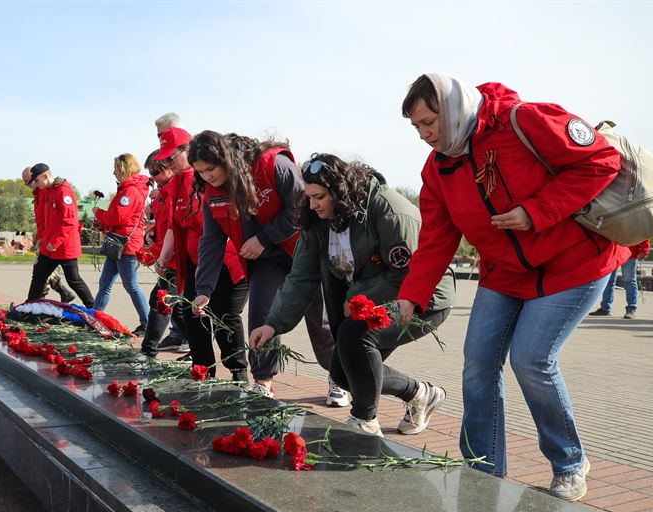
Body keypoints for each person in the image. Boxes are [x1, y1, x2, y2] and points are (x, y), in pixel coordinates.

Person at [396, 73, 629, 501]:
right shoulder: (438, 168)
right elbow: (435, 239)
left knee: (531, 359)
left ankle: (569, 463)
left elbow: (601, 162)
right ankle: (482, 467)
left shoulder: (523, 121)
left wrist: (535, 212)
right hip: (505, 272)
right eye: (416, 127)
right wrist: (412, 295)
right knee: (478, 363)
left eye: (429, 121)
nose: (424, 134)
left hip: (574, 263)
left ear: (453, 109)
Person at [250, 154, 454, 435]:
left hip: (423, 298)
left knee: (356, 337)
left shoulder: (388, 210)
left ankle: (364, 422)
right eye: (309, 197)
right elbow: (300, 277)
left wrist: (356, 295)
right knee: (343, 374)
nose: (313, 205)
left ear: (340, 191)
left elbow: (406, 273)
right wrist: (273, 324)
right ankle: (420, 393)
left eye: (319, 197)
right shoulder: (317, 221)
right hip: (367, 302)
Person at [189, 131, 336, 400]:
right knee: (261, 314)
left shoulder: (272, 165)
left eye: (211, 169)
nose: (207, 177)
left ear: (227, 159)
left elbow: (301, 208)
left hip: (305, 252)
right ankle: (263, 380)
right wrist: (204, 290)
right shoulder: (212, 192)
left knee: (322, 321)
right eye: (200, 172)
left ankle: (339, 376)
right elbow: (211, 241)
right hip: (268, 260)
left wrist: (263, 238)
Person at [155, 127, 248, 382]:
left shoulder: (205, 182)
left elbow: (213, 233)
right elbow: (175, 226)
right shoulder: (176, 184)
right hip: (194, 263)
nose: (167, 164)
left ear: (187, 150)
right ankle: (202, 371)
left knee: (223, 315)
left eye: (170, 158)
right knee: (193, 315)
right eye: (164, 160)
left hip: (224, 261)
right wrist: (163, 257)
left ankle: (238, 371)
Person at [92, 154, 151, 335]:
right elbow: (121, 220)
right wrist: (103, 224)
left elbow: (118, 217)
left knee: (130, 285)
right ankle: (93, 319)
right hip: (118, 243)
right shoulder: (127, 189)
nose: (114, 172)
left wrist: (99, 213)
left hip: (126, 245)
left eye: (116, 169)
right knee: (105, 283)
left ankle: (148, 323)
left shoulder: (130, 191)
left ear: (124, 169)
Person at [22, 163, 95, 307]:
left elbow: (69, 222)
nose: (34, 184)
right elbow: (44, 220)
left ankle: (93, 308)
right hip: (49, 246)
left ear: (45, 176)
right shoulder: (47, 191)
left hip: (65, 246)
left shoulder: (63, 191)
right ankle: (29, 307)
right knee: (39, 275)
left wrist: (55, 241)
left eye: (36, 180)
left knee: (73, 280)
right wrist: (41, 238)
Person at [140, 150, 189, 356]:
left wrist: (158, 257)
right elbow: (163, 225)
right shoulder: (164, 193)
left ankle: (148, 350)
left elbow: (176, 228)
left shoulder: (178, 190)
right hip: (169, 257)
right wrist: (150, 233)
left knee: (161, 301)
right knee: (176, 306)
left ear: (168, 168)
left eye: (155, 172)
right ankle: (192, 344)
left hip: (178, 258)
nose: (153, 178)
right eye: (150, 174)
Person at [589, 240, 650, 319]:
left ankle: (631, 309)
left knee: (629, 280)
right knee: (608, 281)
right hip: (612, 252)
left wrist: (645, 249)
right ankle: (605, 308)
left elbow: (643, 232)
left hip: (629, 251)